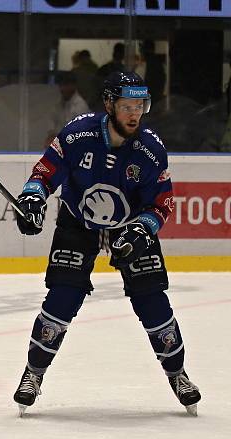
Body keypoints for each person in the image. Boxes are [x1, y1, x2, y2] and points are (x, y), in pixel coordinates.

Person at [11, 71, 201, 417]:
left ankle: (177, 373)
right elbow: (44, 173)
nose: (134, 114)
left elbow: (162, 204)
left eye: (140, 106)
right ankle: (33, 373)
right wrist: (32, 199)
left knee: (152, 301)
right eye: (127, 106)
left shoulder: (151, 150)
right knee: (62, 298)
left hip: (128, 226)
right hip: (78, 221)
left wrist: (143, 229)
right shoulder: (77, 134)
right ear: (109, 104)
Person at [45, 70, 90, 146]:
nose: (63, 88)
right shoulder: (59, 105)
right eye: (61, 85)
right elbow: (52, 125)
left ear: (74, 86)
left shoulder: (81, 106)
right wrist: (51, 135)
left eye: (66, 85)